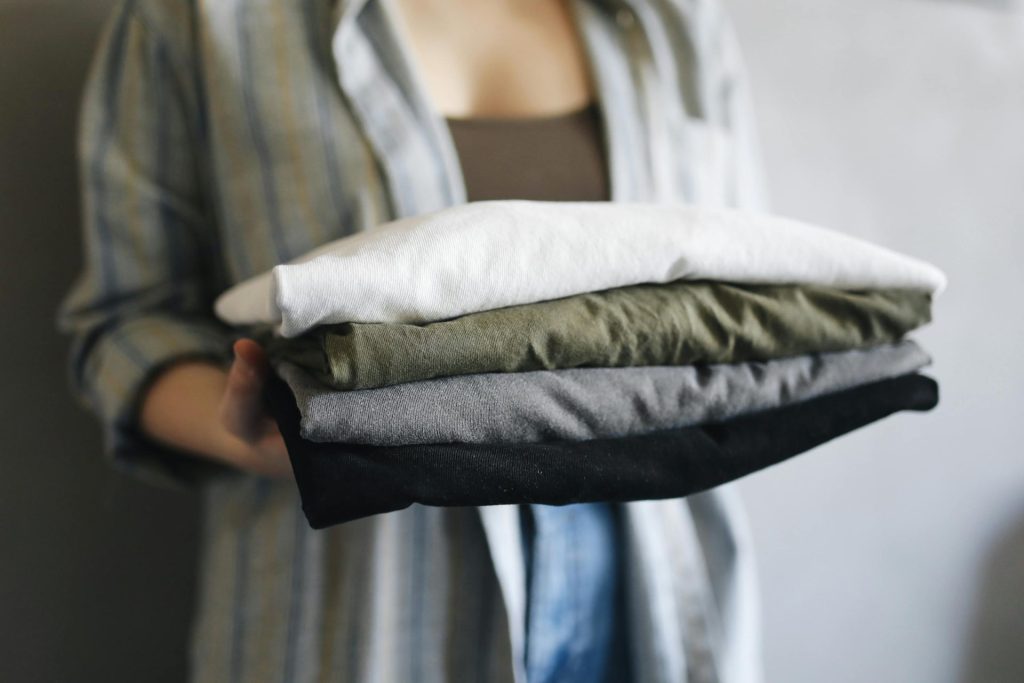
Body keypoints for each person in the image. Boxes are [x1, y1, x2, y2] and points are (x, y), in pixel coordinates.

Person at [57, 0, 770, 681]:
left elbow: (752, 288)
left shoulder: (671, 19)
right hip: (363, 600)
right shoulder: (197, 17)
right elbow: (125, 322)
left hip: (650, 587)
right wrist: (248, 433)